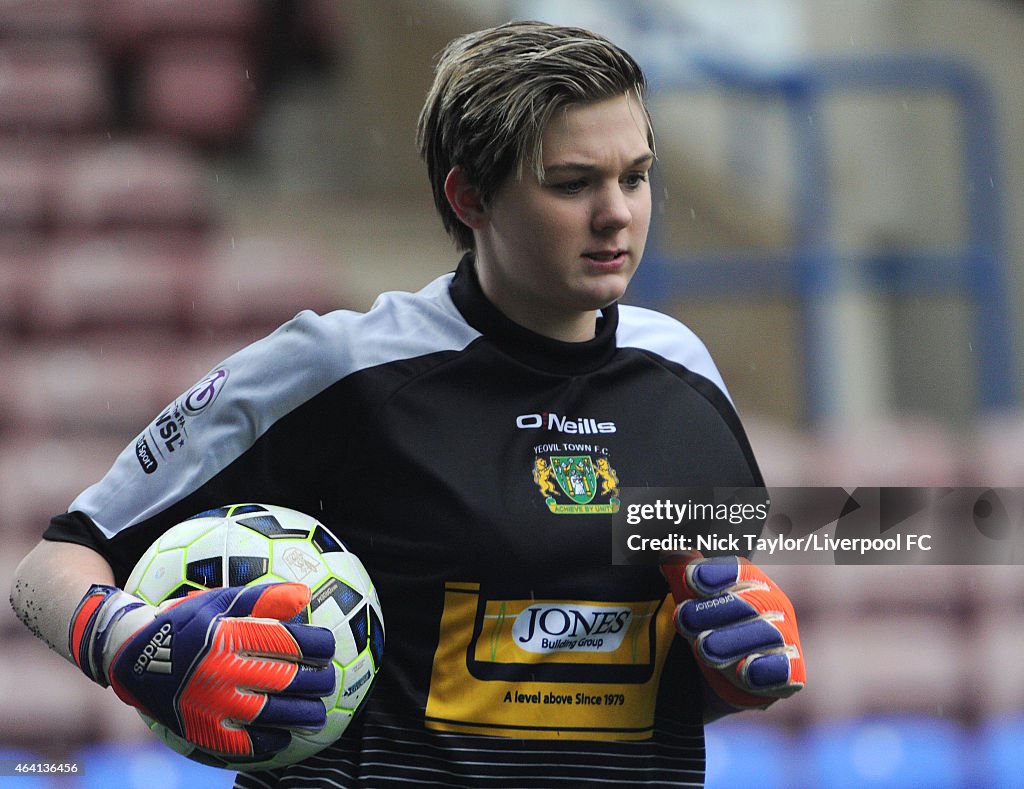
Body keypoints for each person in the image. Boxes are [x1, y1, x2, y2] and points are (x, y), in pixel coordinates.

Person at [9, 20, 804, 788]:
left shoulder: (685, 376)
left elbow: (646, 664)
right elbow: (46, 570)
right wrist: (137, 646)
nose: (618, 213)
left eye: (635, 176)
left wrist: (737, 671)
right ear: (470, 197)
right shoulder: (338, 368)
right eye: (572, 183)